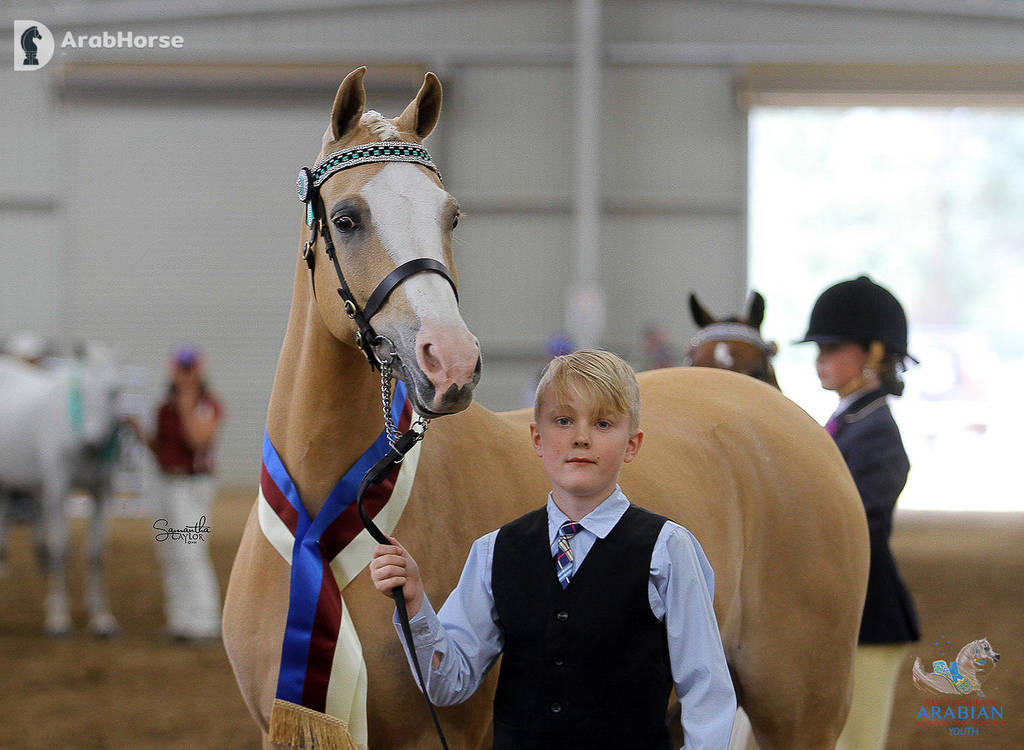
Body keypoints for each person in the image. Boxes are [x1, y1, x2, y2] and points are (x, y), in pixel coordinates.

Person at [370, 349, 736, 749]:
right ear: (537, 439)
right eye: (563, 421)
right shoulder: (495, 552)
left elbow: (707, 693)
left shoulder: (668, 551)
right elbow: (449, 684)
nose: (581, 437)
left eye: (602, 423)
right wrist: (415, 605)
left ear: (632, 445)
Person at [798, 275, 920, 750]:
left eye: (832, 347)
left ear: (873, 352)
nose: (819, 359)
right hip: (839, 609)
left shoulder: (877, 434)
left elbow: (854, 524)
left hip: (868, 613)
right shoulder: (848, 421)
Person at [127, 345, 224, 641]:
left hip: (190, 485)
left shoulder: (207, 405)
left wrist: (185, 403)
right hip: (165, 483)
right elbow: (160, 448)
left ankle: (204, 620)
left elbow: (198, 441)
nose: (184, 375)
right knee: (170, 552)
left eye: (189, 369)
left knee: (190, 551)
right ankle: (181, 619)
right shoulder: (165, 407)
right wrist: (140, 431)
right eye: (181, 369)